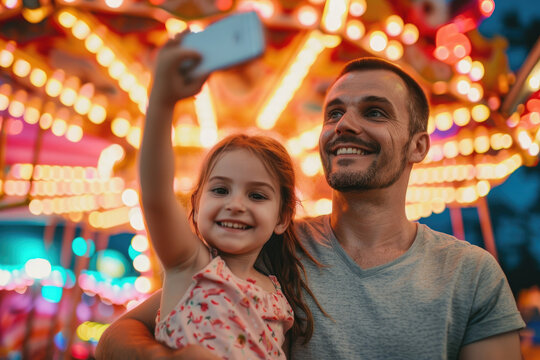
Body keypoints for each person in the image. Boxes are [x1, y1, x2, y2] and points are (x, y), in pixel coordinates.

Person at [96, 49, 525, 358]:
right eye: (334, 113)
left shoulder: (471, 275)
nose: (346, 125)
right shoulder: (271, 247)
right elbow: (120, 334)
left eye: (375, 112)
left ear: (418, 146)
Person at [129, 34, 325, 359]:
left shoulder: (278, 296)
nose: (235, 204)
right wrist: (162, 98)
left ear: (282, 218)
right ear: (196, 205)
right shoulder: (190, 265)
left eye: (257, 196)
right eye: (220, 190)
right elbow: (155, 194)